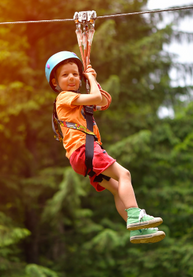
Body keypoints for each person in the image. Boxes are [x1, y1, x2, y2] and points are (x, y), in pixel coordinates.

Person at [45, 51, 165, 244]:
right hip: (84, 150)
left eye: (76, 74)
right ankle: (136, 216)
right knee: (124, 175)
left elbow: (102, 101)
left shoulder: (76, 103)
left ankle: (137, 230)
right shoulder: (64, 97)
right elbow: (94, 97)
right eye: (65, 75)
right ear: (55, 83)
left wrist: (93, 81)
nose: (72, 78)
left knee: (118, 189)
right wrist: (91, 79)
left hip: (82, 156)